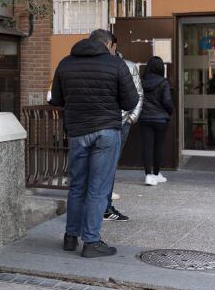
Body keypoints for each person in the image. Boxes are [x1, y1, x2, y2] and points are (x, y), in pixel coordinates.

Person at [49, 28, 138, 258]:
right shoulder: (115, 65)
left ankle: (70, 237)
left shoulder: (66, 63)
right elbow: (130, 100)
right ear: (109, 45)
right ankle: (91, 241)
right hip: (106, 132)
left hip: (78, 132)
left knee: (77, 185)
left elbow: (56, 99)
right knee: (98, 188)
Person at [103, 35, 140, 223]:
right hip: (100, 122)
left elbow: (139, 94)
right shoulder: (97, 64)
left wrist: (132, 118)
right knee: (103, 167)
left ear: (113, 46)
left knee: (110, 165)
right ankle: (103, 207)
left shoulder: (129, 65)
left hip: (121, 121)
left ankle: (104, 206)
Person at [139, 56, 173, 186]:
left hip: (144, 118)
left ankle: (148, 175)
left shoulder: (141, 81)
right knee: (158, 147)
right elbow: (167, 101)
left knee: (147, 147)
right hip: (160, 119)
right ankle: (156, 174)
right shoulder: (163, 82)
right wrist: (170, 111)